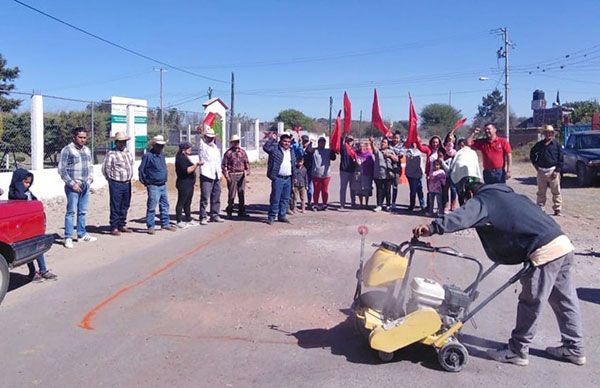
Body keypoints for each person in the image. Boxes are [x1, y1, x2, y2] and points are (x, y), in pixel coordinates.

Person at [413, 172, 585, 367]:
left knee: (531, 302)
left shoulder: (484, 199)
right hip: (563, 244)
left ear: (469, 194)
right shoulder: (510, 195)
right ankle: (574, 348)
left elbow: (463, 217)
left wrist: (433, 227)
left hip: (544, 251)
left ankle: (518, 350)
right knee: (565, 299)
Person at [8, 169, 57, 280]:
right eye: (25, 182)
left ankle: (43, 270)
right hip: (22, 227)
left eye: (29, 183)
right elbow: (19, 201)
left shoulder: (28, 192)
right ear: (19, 181)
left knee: (38, 248)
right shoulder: (15, 192)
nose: (27, 185)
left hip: (32, 225)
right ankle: (32, 272)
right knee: (29, 251)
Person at [58, 127, 97, 249]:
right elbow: (62, 169)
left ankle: (81, 234)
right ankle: (68, 237)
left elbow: (90, 166)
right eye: (80, 137)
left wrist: (90, 180)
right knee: (71, 212)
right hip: (73, 186)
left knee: (83, 211)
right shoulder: (67, 150)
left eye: (85, 137)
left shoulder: (86, 150)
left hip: (85, 185)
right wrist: (72, 184)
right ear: (74, 137)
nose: (83, 140)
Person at [139, 135, 176, 234]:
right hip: (153, 185)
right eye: (159, 145)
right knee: (152, 206)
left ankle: (165, 223)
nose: (161, 147)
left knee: (165, 205)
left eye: (162, 146)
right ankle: (150, 226)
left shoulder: (162, 155)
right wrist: (146, 182)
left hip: (162, 184)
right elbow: (141, 170)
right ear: (154, 145)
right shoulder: (148, 156)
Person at [101, 131, 134, 236]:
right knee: (116, 205)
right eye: (120, 142)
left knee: (125, 204)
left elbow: (131, 165)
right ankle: (114, 226)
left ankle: (122, 224)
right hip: (116, 183)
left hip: (127, 183)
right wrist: (110, 180)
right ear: (116, 142)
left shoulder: (128, 153)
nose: (122, 144)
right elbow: (105, 169)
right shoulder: (111, 154)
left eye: (123, 142)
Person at [530, 125, 563, 216]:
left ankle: (557, 208)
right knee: (541, 191)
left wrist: (557, 170)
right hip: (541, 171)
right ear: (544, 134)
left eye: (550, 133)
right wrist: (535, 164)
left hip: (553, 170)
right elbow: (532, 153)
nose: (549, 134)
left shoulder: (557, 145)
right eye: (547, 133)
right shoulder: (539, 145)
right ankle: (540, 207)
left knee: (556, 191)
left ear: (553, 134)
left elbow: (561, 159)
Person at [263, 131, 296, 225]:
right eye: (285, 141)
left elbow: (293, 164)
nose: (287, 143)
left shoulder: (291, 151)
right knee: (275, 198)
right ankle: (272, 216)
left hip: (288, 178)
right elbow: (266, 148)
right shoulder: (275, 149)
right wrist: (272, 138)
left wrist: (295, 176)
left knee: (286, 199)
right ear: (281, 141)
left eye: (288, 142)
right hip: (278, 178)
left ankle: (282, 215)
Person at [198, 127, 224, 225]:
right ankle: (203, 216)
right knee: (205, 197)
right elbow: (199, 139)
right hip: (206, 174)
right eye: (208, 137)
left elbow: (218, 162)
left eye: (212, 137)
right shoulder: (202, 146)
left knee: (216, 196)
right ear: (205, 137)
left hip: (216, 174)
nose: (210, 139)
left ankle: (215, 215)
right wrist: (201, 132)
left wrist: (220, 173)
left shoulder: (215, 148)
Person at [222, 134, 250, 217]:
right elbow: (224, 165)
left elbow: (246, 162)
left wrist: (247, 171)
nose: (236, 143)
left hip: (241, 174)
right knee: (232, 194)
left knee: (241, 193)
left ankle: (241, 211)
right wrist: (227, 176)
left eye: (237, 141)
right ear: (232, 143)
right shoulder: (228, 153)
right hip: (232, 174)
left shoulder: (242, 152)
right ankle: (229, 210)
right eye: (235, 142)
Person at [175, 142, 201, 228]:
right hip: (183, 183)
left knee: (188, 202)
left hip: (189, 183)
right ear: (184, 149)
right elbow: (187, 170)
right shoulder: (180, 158)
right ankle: (179, 220)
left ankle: (188, 218)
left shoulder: (185, 157)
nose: (190, 149)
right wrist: (196, 165)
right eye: (188, 148)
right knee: (181, 202)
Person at [371, 137, 398, 212]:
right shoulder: (378, 151)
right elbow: (373, 148)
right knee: (379, 190)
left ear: (387, 144)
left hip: (388, 174)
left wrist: (389, 155)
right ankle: (379, 205)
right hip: (378, 174)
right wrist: (372, 142)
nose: (383, 143)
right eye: (382, 142)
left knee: (387, 190)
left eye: (385, 142)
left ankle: (388, 205)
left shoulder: (390, 151)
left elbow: (396, 159)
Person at [312, 136, 336, 211]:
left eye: (324, 142)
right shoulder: (314, 151)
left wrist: (332, 149)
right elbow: (308, 150)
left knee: (325, 191)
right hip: (316, 174)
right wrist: (311, 142)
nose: (322, 143)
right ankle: (315, 204)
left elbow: (333, 158)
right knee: (316, 190)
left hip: (326, 175)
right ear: (318, 143)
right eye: (321, 142)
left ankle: (324, 204)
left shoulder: (328, 151)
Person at [404, 141, 427, 211]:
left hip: (419, 174)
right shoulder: (409, 151)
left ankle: (422, 204)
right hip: (411, 174)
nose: (414, 144)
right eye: (413, 143)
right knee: (413, 190)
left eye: (416, 143)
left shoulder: (421, 151)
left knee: (420, 189)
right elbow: (409, 157)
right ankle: (412, 205)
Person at [351, 141, 374, 209]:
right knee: (359, 189)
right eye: (360, 146)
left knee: (367, 189)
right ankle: (361, 204)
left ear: (365, 147)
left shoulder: (369, 155)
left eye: (362, 146)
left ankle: (366, 204)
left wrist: (372, 174)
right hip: (358, 174)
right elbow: (354, 163)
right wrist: (355, 162)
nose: (361, 147)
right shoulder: (356, 154)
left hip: (367, 173)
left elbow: (372, 165)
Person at [339, 135, 357, 209]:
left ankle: (353, 203)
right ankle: (342, 204)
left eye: (351, 140)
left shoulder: (354, 149)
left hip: (352, 170)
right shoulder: (344, 147)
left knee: (353, 188)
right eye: (348, 140)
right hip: (344, 171)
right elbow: (340, 141)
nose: (350, 142)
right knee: (343, 188)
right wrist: (343, 134)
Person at [389, 131, 405, 210]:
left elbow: (399, 156)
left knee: (395, 186)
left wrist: (390, 154)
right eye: (394, 137)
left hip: (397, 168)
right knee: (387, 186)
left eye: (397, 138)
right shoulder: (389, 144)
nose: (395, 139)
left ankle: (393, 202)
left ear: (399, 139)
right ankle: (388, 202)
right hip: (388, 167)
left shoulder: (402, 146)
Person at [301, 135, 315, 210]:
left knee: (309, 186)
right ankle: (302, 202)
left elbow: (310, 151)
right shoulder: (300, 147)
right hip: (301, 170)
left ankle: (309, 201)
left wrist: (309, 145)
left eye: (306, 141)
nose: (304, 143)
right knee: (300, 186)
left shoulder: (311, 148)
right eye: (304, 141)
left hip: (309, 169)